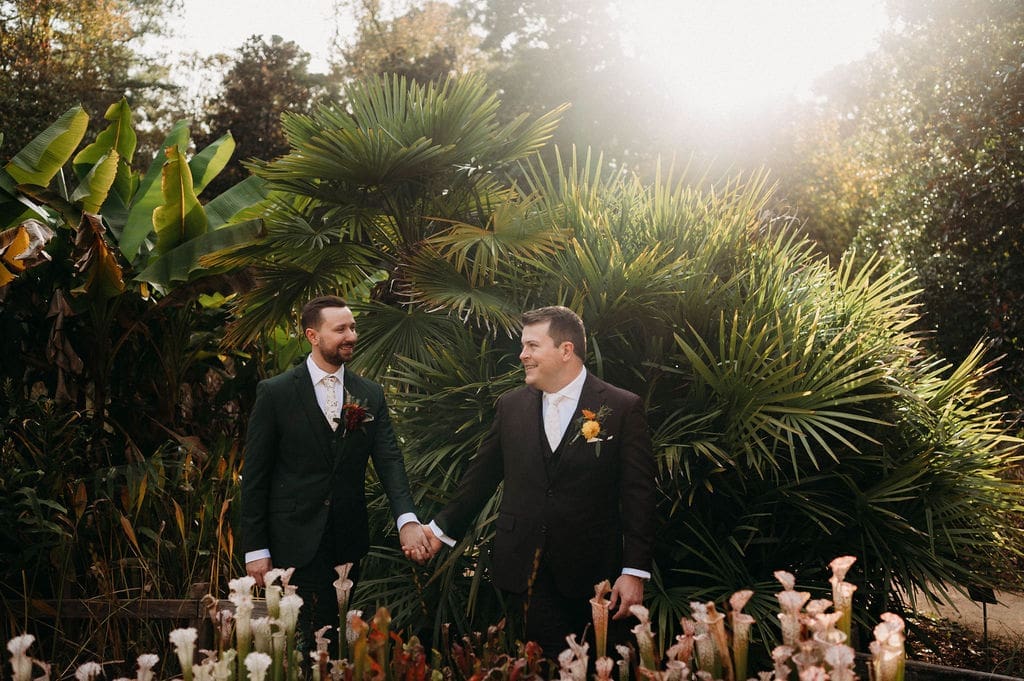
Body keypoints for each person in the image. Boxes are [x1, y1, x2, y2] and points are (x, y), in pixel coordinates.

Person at [419, 306, 657, 659]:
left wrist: (634, 571)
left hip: (594, 572)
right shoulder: (511, 406)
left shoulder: (622, 408)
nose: (522, 355)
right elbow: (480, 477)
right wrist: (439, 531)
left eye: (531, 346)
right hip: (524, 569)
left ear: (566, 350)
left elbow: (639, 494)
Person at [240, 295, 430, 644]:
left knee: (332, 635)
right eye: (340, 329)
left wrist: (407, 519)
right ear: (313, 336)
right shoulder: (275, 392)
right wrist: (255, 549)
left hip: (347, 541)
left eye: (353, 327)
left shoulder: (369, 393)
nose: (351, 336)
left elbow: (389, 460)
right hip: (291, 541)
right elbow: (255, 477)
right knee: (302, 637)